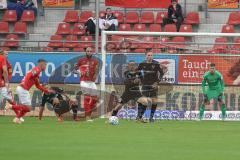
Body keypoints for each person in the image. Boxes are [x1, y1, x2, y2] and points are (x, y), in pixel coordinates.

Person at [12, 59, 54, 124]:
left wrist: (46, 90)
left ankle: (17, 118)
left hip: (22, 89)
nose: (46, 67)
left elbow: (37, 86)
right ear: (42, 64)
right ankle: (10, 106)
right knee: (28, 108)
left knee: (26, 108)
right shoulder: (37, 69)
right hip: (23, 89)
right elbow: (29, 75)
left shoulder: (37, 73)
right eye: (45, 65)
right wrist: (24, 83)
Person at [136, 51, 164, 123]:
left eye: (151, 55)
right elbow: (138, 73)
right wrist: (141, 80)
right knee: (144, 101)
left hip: (153, 86)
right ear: (145, 56)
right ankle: (139, 116)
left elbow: (161, 73)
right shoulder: (142, 64)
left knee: (154, 102)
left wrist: (157, 82)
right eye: (148, 55)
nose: (150, 56)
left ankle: (151, 118)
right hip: (145, 85)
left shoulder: (156, 64)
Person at [75, 47, 99, 122]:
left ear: (92, 52)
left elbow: (96, 70)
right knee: (87, 98)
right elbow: (74, 70)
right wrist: (80, 72)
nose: (89, 52)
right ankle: (87, 117)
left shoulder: (95, 61)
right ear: (85, 52)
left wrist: (95, 74)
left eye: (90, 51)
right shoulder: (81, 60)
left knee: (95, 99)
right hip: (84, 81)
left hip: (92, 82)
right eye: (87, 51)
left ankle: (88, 115)